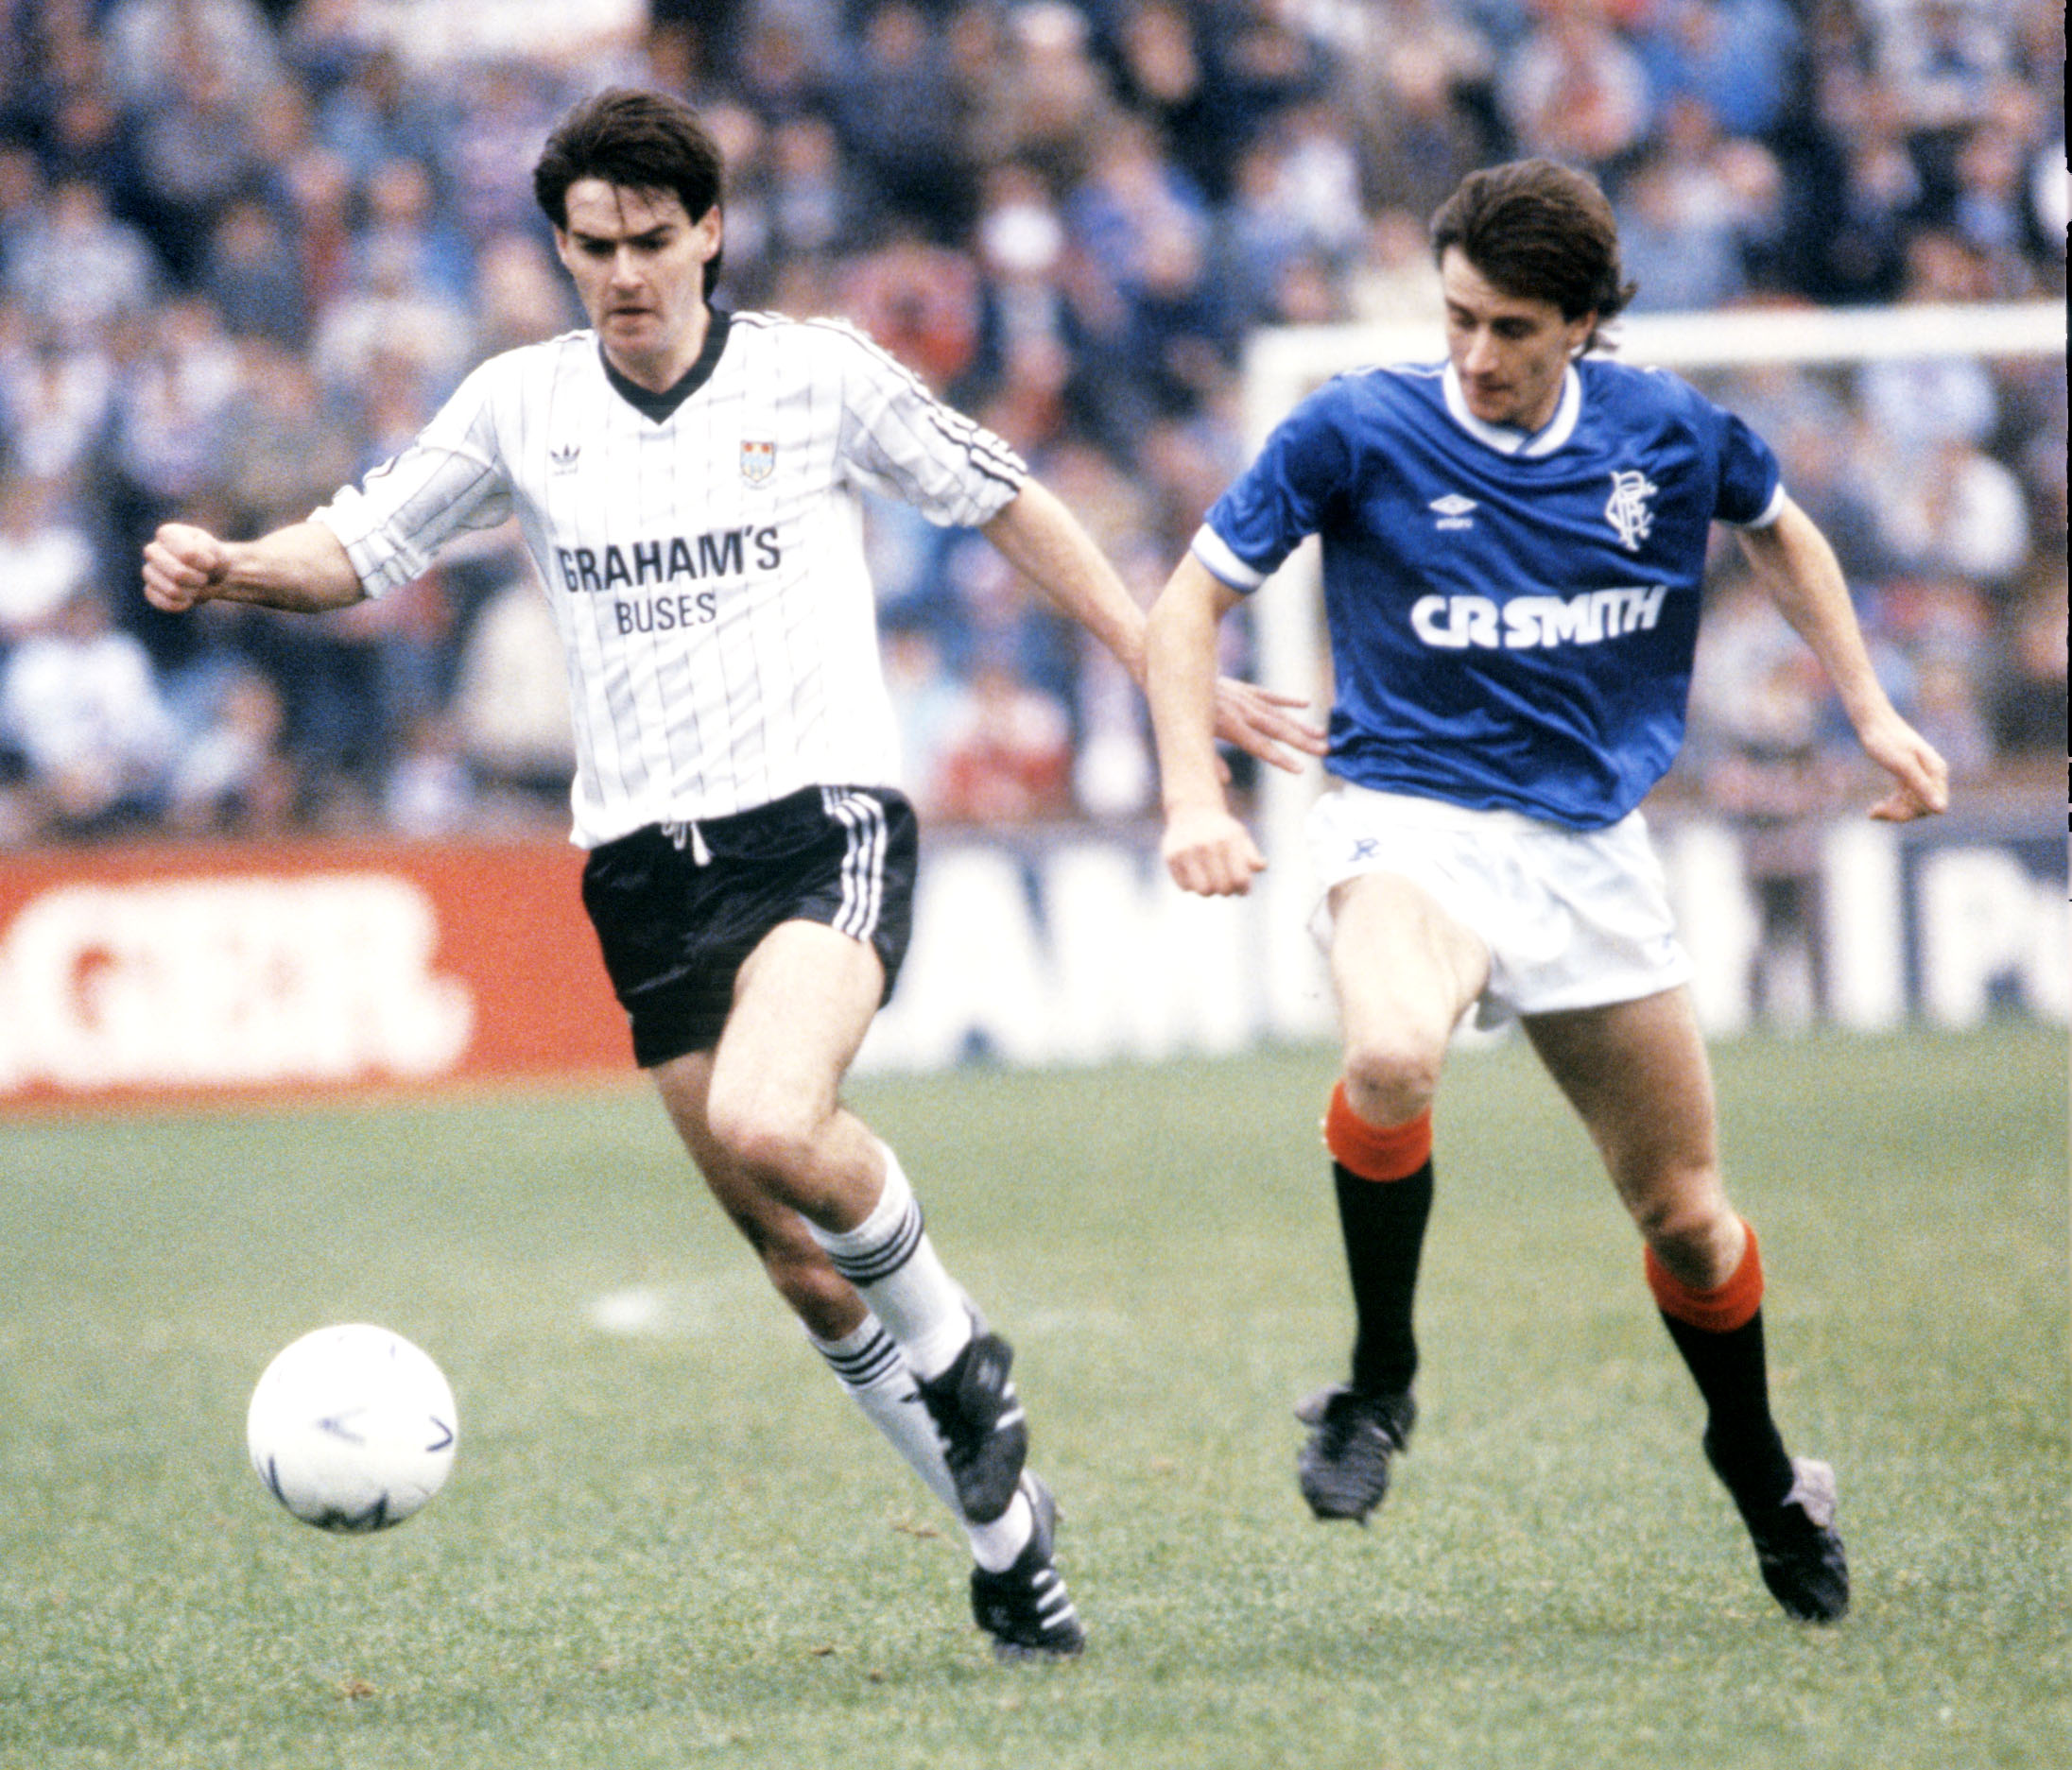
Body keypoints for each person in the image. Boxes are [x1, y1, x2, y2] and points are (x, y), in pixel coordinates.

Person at [143, 86, 1321, 1660]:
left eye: (648, 240)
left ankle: (967, 1353)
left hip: (818, 820)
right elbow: (359, 547)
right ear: (559, 249)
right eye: (590, 248)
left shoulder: (813, 375)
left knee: (780, 1117)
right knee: (792, 1259)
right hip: (640, 867)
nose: (623, 274)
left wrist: (1163, 657)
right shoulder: (519, 407)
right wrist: (231, 566)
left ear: (710, 231)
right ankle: (1008, 1545)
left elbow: (1009, 501)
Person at [1145, 159, 1950, 1624]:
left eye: (1512, 328)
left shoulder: (1667, 436)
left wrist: (1871, 710)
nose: (1476, 355)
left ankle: (1762, 1466)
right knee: (1390, 1054)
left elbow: (1782, 529)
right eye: (1456, 317)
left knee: (1689, 1220)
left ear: (1584, 323)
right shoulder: (1356, 429)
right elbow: (1189, 599)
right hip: (1409, 821)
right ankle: (1378, 1387)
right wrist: (1194, 797)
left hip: (1588, 854)